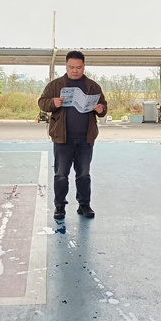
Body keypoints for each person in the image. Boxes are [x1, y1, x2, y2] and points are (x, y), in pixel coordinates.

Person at [38, 51, 107, 220]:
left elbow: (103, 105)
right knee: (61, 174)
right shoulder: (55, 85)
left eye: (78, 67)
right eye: (71, 67)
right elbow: (42, 102)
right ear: (66, 66)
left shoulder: (92, 86)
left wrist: (101, 109)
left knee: (84, 174)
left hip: (85, 139)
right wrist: (52, 103)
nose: (75, 70)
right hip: (63, 139)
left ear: (84, 66)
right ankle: (59, 206)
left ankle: (84, 205)